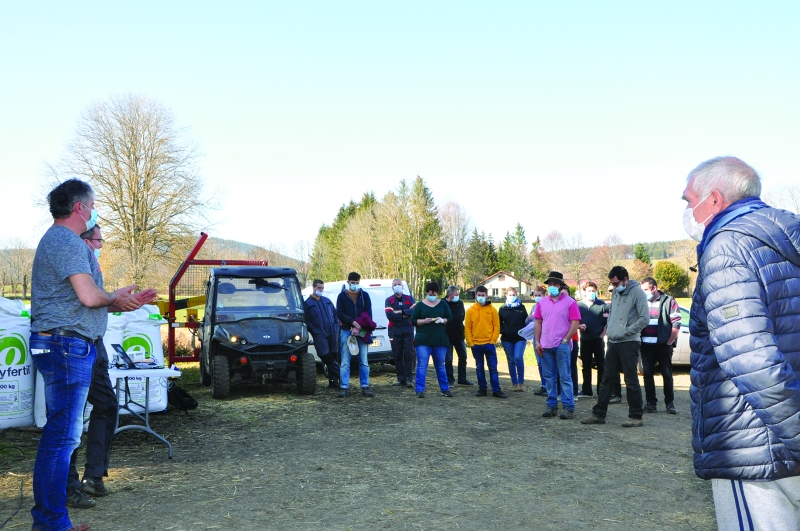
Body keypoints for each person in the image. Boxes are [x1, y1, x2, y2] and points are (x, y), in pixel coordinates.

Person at [681, 156, 800, 529]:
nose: (687, 210)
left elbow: (751, 359)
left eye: (688, 200)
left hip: (755, 443)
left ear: (713, 200)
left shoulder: (727, 249)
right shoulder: (786, 237)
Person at [29, 179, 155, 531]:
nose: (94, 210)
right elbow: (88, 296)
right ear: (80, 208)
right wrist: (113, 297)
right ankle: (51, 524)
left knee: (61, 435)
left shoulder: (59, 241)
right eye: (93, 204)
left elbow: (80, 302)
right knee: (63, 437)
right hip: (66, 346)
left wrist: (120, 302)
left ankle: (52, 521)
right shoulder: (66, 241)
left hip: (63, 343)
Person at [64, 224, 122, 510]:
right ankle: (68, 485)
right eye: (98, 240)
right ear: (85, 240)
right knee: (70, 417)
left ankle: (94, 476)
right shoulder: (73, 259)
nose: (101, 245)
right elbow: (83, 300)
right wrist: (114, 298)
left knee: (108, 405)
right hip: (73, 344)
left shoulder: (90, 263)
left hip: (95, 343)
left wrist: (120, 303)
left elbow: (94, 301)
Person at [581, 266, 649, 427]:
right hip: (613, 342)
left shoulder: (637, 293)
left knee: (631, 379)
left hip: (629, 342)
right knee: (606, 378)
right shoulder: (616, 293)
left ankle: (636, 416)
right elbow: (611, 314)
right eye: (611, 283)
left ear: (625, 279)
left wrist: (626, 331)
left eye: (616, 283)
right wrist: (611, 331)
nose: (613, 286)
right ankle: (599, 414)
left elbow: (644, 318)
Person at [533, 271, 580, 419]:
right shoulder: (542, 303)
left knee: (565, 377)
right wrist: (538, 341)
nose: (552, 286)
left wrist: (565, 340)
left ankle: (568, 407)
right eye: (550, 284)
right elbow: (538, 322)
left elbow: (575, 323)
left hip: (562, 345)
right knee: (549, 377)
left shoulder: (570, 302)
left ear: (560, 285)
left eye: (555, 284)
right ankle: (551, 406)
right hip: (546, 346)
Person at [639, 277, 680, 415]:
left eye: (646, 289)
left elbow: (676, 323)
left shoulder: (669, 301)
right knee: (647, 374)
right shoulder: (641, 302)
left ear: (654, 288)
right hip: (645, 345)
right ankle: (651, 403)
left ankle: (670, 404)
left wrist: (668, 342)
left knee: (667, 374)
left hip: (663, 345)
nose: (644, 292)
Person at [410, 282, 453, 398]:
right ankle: (419, 390)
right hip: (423, 340)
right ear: (427, 293)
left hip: (439, 340)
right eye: (430, 294)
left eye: (434, 294)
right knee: (422, 365)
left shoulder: (443, 304)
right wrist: (424, 321)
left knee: (440, 365)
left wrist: (442, 320)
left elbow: (450, 318)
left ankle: (445, 389)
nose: (432, 296)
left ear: (437, 293)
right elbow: (413, 320)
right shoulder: (419, 305)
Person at [336, 272, 374, 398]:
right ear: (348, 282)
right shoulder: (341, 297)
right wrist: (353, 323)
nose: (355, 285)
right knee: (345, 361)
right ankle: (344, 387)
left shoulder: (365, 296)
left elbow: (368, 313)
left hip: (362, 331)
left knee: (364, 360)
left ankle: (365, 386)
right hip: (347, 331)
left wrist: (359, 326)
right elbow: (340, 314)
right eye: (353, 283)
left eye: (357, 283)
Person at [465, 285, 506, 398]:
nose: (481, 297)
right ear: (476, 295)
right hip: (476, 345)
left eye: (483, 295)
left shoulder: (492, 310)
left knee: (493, 368)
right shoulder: (470, 311)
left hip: (489, 344)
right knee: (479, 368)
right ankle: (482, 389)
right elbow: (467, 328)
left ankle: (496, 390)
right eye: (479, 295)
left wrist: (493, 340)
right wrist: (470, 342)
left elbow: (496, 326)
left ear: (487, 296)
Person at [303, 279, 340, 388]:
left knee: (334, 354)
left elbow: (335, 313)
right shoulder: (308, 304)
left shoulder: (327, 301)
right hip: (319, 334)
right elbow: (307, 321)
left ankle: (334, 382)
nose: (321, 290)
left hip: (332, 333)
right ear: (314, 288)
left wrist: (336, 326)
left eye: (322, 288)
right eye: (319, 288)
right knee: (325, 355)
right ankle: (342, 375)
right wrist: (314, 331)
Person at [577, 281, 608, 398]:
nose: (591, 293)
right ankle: (586, 390)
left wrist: (602, 335)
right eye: (589, 291)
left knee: (601, 365)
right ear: (584, 292)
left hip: (598, 339)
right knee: (586, 365)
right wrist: (579, 326)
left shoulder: (602, 305)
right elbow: (574, 321)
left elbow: (607, 323)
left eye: (593, 291)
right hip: (585, 339)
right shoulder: (579, 306)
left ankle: (601, 390)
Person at [384, 278, 415, 388]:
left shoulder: (409, 298)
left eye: (399, 284)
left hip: (408, 330)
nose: (397, 286)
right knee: (397, 356)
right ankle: (400, 378)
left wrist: (399, 312)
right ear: (392, 288)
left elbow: (414, 312)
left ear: (402, 286)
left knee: (408, 355)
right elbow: (390, 315)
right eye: (395, 285)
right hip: (395, 331)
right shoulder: (389, 300)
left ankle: (408, 379)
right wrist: (404, 315)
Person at [499, 287, 528, 391]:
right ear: (506, 295)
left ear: (516, 295)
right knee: (511, 360)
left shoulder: (521, 308)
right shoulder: (502, 308)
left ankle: (521, 382)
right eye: (509, 295)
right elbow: (498, 323)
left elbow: (526, 321)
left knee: (518, 358)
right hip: (507, 339)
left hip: (520, 338)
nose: (512, 296)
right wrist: (503, 331)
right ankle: (514, 383)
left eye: (513, 294)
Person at [444, 286, 473, 386]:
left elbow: (462, 316)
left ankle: (462, 378)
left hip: (459, 334)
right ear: (449, 294)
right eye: (456, 294)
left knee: (463, 357)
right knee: (448, 359)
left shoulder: (460, 303)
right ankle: (449, 380)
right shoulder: (443, 303)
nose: (458, 296)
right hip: (447, 336)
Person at [525, 287, 547, 395]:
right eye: (536, 295)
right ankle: (543, 385)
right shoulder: (534, 307)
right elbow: (526, 322)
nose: (537, 297)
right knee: (539, 363)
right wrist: (529, 318)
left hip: (546, 338)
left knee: (547, 362)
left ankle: (550, 386)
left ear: (544, 295)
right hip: (536, 338)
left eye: (539, 295)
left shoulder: (547, 306)